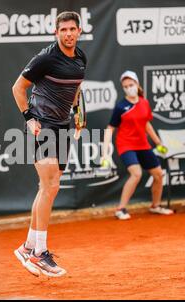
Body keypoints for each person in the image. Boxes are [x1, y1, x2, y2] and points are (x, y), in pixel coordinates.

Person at [11, 11, 86, 277]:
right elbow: (17, 88)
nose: (68, 33)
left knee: (48, 188)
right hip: (41, 125)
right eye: (63, 29)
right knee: (50, 184)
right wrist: (29, 119)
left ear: (79, 31)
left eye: (72, 29)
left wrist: (77, 112)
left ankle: (27, 247)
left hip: (63, 126)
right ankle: (39, 254)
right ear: (56, 32)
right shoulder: (45, 58)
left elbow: (75, 89)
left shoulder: (80, 59)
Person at [101, 70, 173, 220]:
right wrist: (104, 153)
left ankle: (155, 206)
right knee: (136, 173)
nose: (128, 88)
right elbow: (110, 128)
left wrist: (158, 143)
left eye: (131, 85)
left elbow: (146, 124)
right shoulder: (121, 107)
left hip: (143, 144)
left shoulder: (144, 103)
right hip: (126, 144)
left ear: (137, 84)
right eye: (125, 86)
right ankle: (120, 209)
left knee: (159, 174)